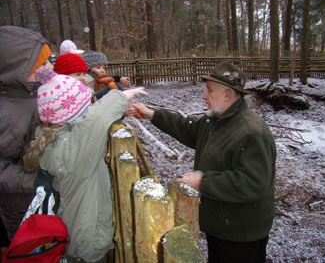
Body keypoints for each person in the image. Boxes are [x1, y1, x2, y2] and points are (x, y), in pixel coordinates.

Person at [133, 62, 276, 263]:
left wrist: (202, 182)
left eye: (209, 91)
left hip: (241, 233)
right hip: (220, 224)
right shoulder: (215, 120)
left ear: (227, 95)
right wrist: (152, 114)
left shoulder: (251, 132)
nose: (204, 96)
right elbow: (187, 128)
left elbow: (252, 183)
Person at [23, 73, 148, 263]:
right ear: (72, 114)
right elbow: (95, 120)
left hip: (79, 230)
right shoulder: (73, 149)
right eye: (87, 104)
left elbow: (90, 122)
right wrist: (122, 96)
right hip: (87, 241)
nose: (91, 106)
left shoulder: (56, 139)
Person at [0, 25, 54, 242]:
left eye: (50, 60)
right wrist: (33, 181)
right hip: (20, 205)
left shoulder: (34, 94)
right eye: (42, 63)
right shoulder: (8, 112)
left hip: (40, 195)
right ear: (18, 68)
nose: (50, 67)